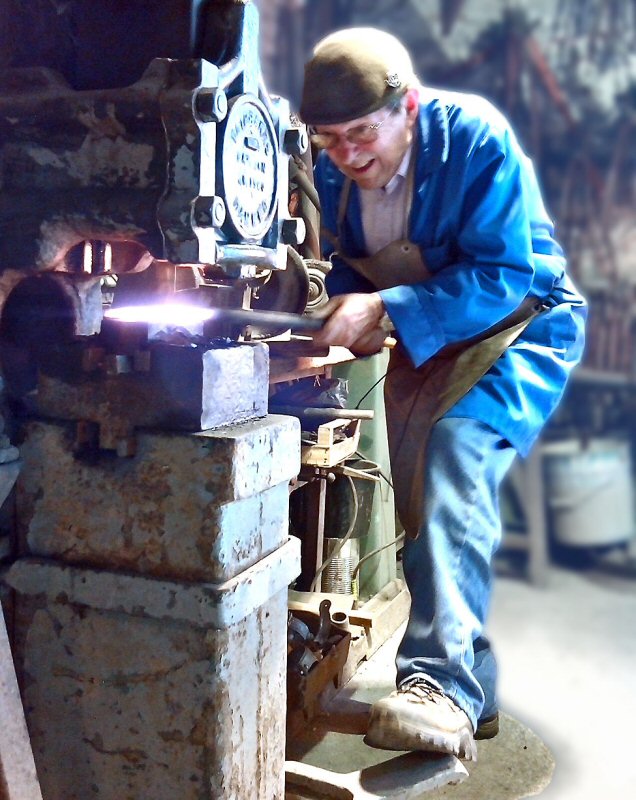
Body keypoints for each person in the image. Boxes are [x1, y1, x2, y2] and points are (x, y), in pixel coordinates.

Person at [299, 27, 586, 761]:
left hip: (521, 324)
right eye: (331, 139)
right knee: (412, 491)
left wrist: (388, 308)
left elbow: (503, 274)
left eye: (362, 133)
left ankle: (442, 686)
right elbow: (342, 267)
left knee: (454, 456)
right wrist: (337, 308)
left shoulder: (475, 140)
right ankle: (475, 689)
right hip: (432, 336)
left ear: (409, 107)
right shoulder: (329, 171)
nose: (347, 155)